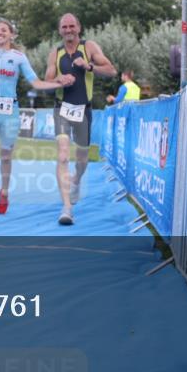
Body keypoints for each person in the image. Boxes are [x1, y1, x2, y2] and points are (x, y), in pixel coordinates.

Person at [0, 20, 74, 215]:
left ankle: (5, 192)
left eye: (3, 30)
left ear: (11, 34)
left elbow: (36, 83)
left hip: (10, 112)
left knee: (6, 157)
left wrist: (59, 84)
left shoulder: (19, 57)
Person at [44, 13, 117, 225]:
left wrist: (89, 66)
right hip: (62, 109)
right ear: (60, 30)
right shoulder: (54, 54)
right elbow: (47, 82)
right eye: (64, 27)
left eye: (71, 26)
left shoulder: (89, 47)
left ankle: (76, 180)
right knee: (64, 156)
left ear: (79, 27)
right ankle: (66, 208)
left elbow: (111, 71)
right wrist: (58, 80)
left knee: (82, 160)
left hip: (83, 110)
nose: (68, 30)